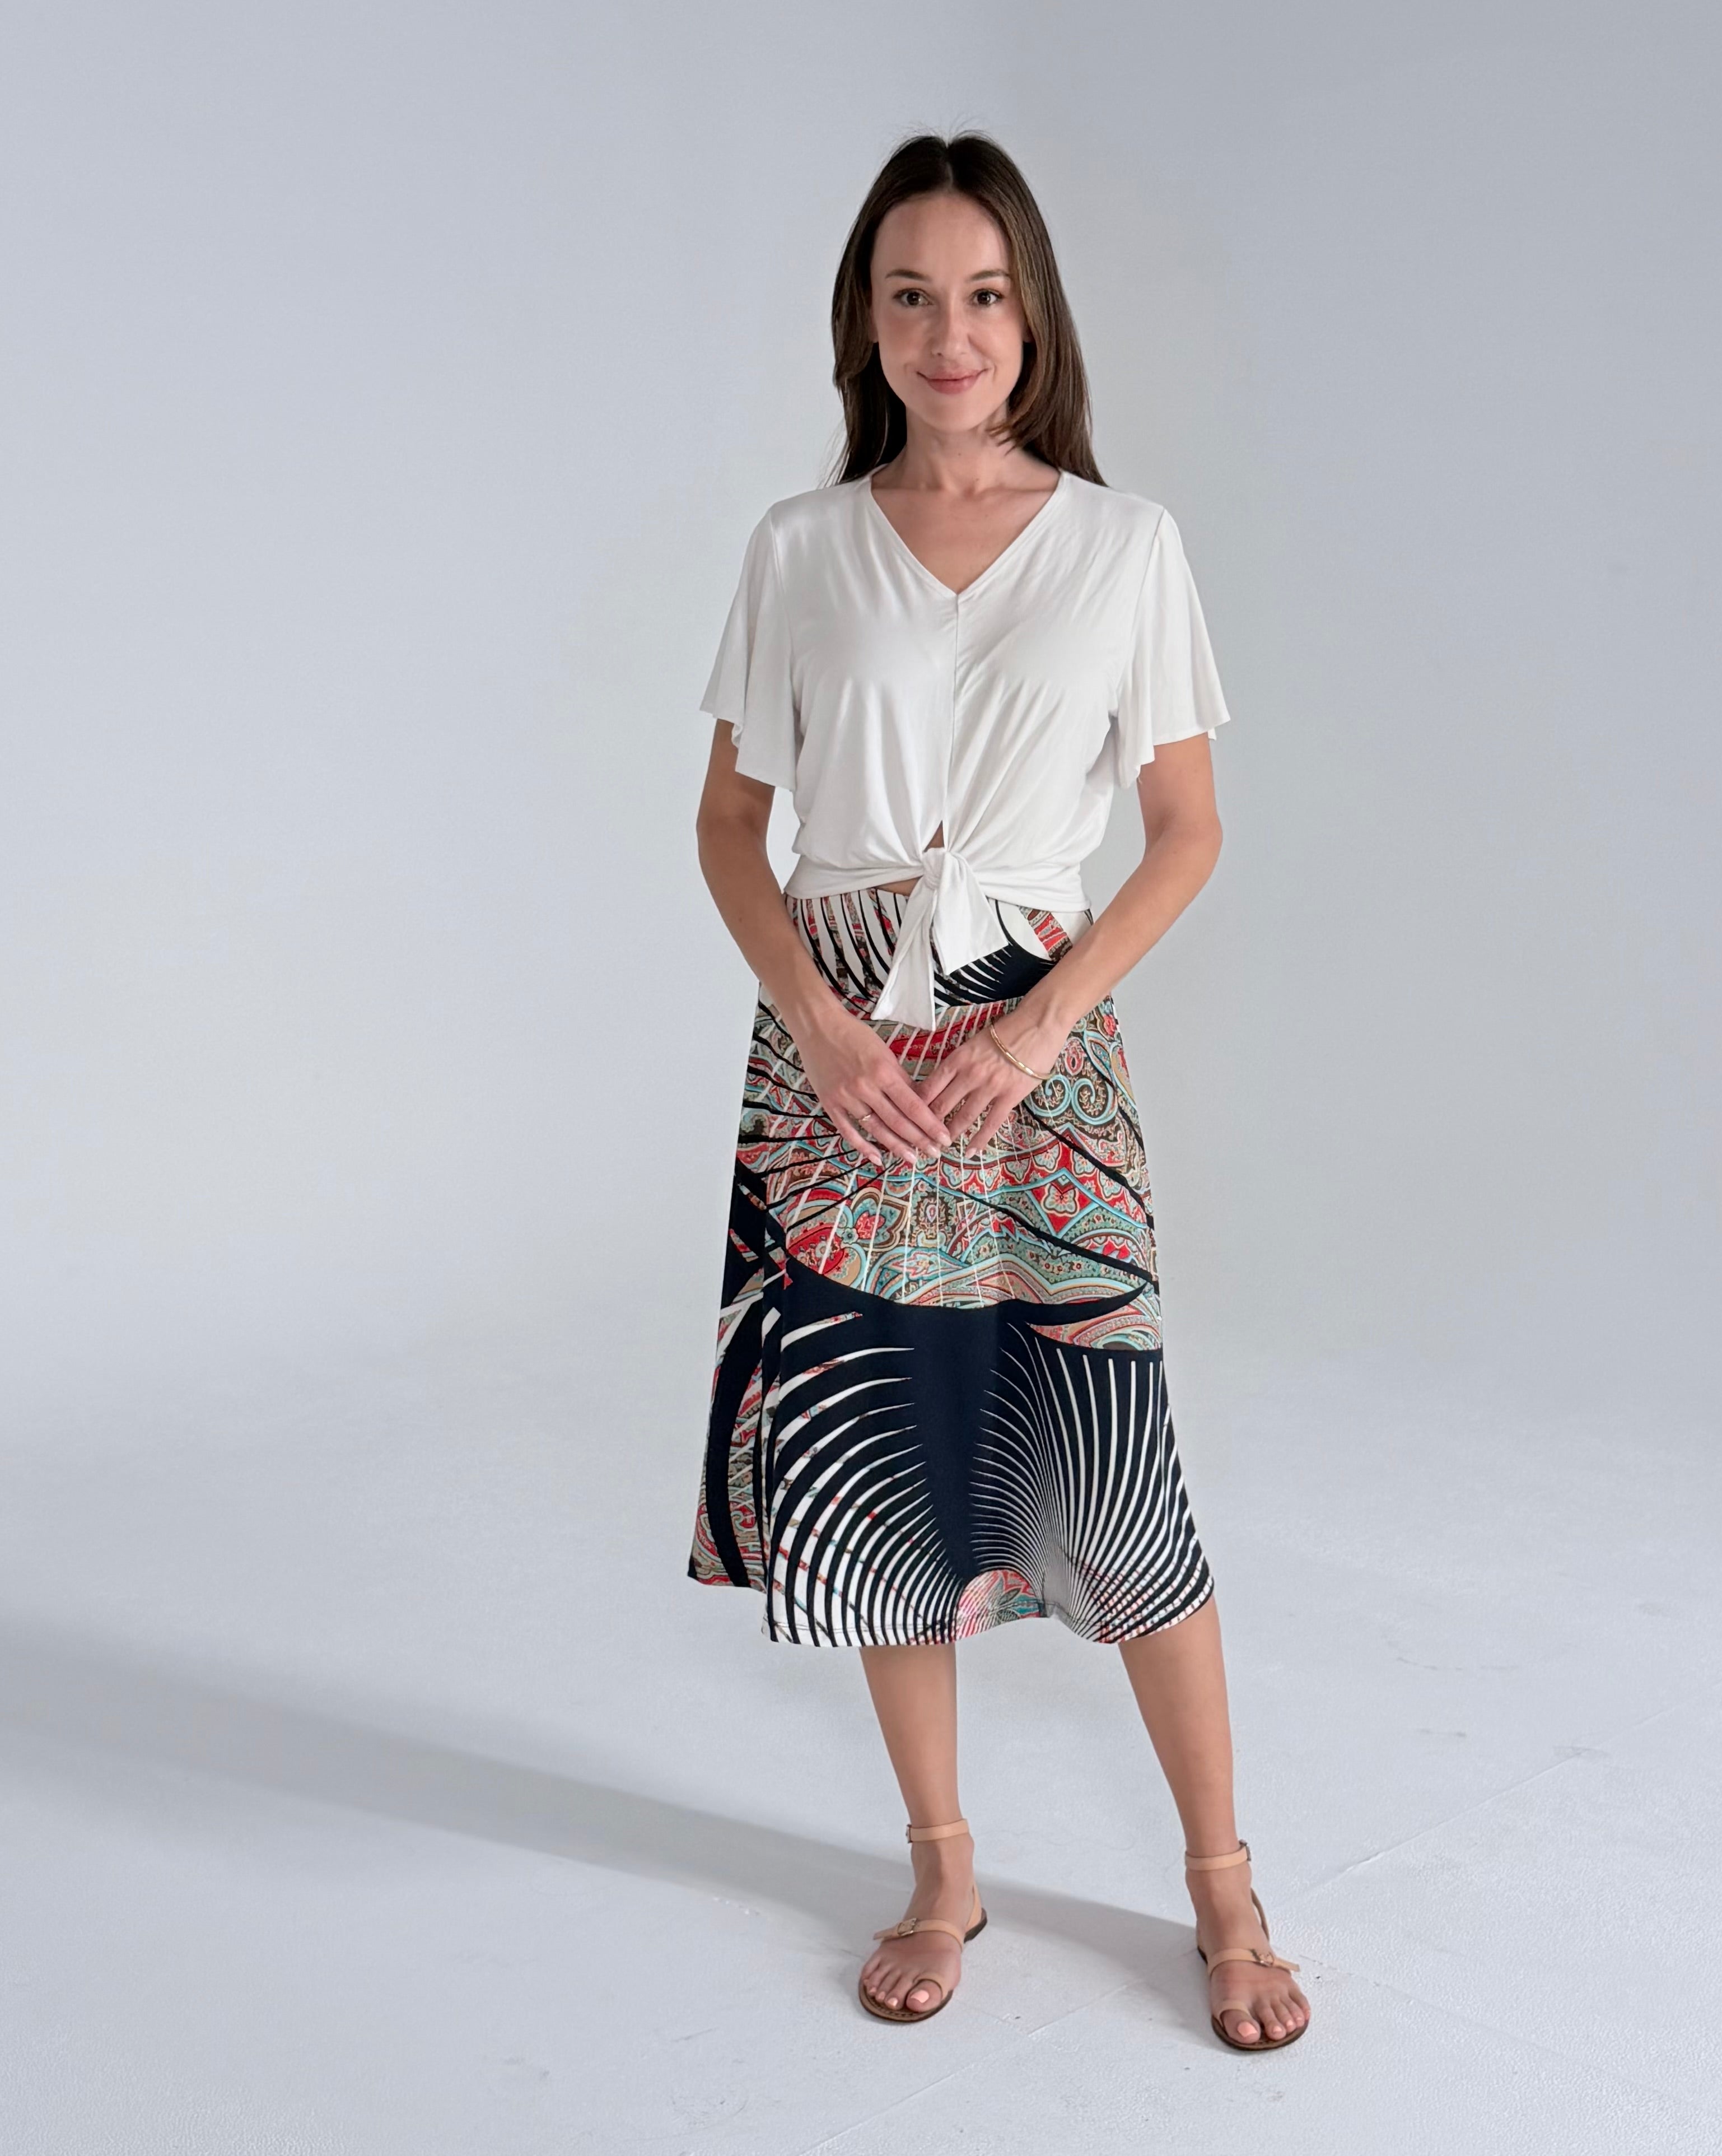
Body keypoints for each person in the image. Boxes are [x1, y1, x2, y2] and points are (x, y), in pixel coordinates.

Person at [688, 131, 1309, 2053]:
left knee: (1112, 1482)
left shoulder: (1127, 546)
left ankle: (1221, 1879)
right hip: (845, 1057)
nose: (947, 333)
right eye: (908, 295)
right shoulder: (800, 549)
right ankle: (942, 1860)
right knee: (887, 1478)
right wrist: (821, 1026)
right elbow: (727, 827)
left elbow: (1188, 829)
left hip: (1039, 1052)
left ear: (1029, 313)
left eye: (980, 293)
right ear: (861, 325)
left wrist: (1040, 1025)